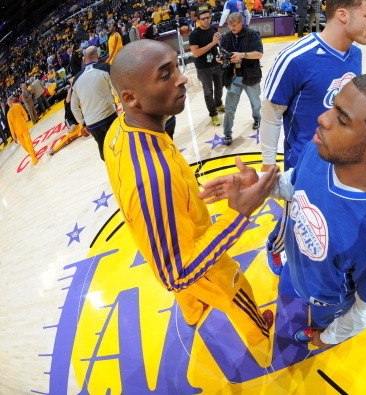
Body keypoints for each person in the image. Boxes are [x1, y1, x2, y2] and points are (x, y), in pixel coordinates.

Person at [199, 74, 366, 347]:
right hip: (295, 265)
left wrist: (327, 337)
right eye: (332, 107)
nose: (323, 119)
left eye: (342, 119)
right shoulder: (321, 150)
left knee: (319, 324)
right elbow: (294, 184)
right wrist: (265, 185)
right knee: (289, 288)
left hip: (328, 298)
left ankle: (317, 328)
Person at [105, 39, 278, 368]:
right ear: (130, 98)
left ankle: (193, 310)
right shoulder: (154, 179)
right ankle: (262, 344)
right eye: (165, 74)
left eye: (177, 67)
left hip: (160, 235)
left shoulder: (122, 127)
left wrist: (187, 189)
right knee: (237, 291)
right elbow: (177, 272)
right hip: (194, 255)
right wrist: (240, 214)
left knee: (188, 295)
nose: (182, 78)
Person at [260, 0, 366, 275]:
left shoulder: (355, 56)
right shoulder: (295, 57)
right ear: (343, 15)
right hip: (301, 161)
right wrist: (268, 164)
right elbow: (270, 114)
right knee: (294, 217)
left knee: (324, 216)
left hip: (338, 158)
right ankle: (276, 246)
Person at [217, 12, 263, 145]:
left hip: (251, 76)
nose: (232, 28)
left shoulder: (252, 35)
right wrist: (220, 60)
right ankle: (227, 134)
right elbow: (222, 55)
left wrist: (241, 55)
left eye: (234, 25)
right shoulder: (226, 38)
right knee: (229, 109)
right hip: (233, 77)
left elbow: (259, 54)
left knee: (255, 103)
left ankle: (257, 118)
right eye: (230, 25)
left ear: (241, 22)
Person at [70, 46, 118, 160]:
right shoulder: (105, 67)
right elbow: (117, 89)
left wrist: (83, 123)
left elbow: (74, 107)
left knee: (105, 153)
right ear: (97, 56)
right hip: (109, 116)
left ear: (84, 60)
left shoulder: (76, 79)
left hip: (92, 123)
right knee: (119, 147)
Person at [189, 10, 225, 126]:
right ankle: (213, 114)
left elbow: (218, 43)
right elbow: (196, 53)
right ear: (198, 21)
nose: (206, 20)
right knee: (208, 92)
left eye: (208, 17)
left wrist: (219, 43)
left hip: (216, 63)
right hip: (203, 67)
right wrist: (213, 43)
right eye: (203, 18)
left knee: (219, 87)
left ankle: (218, 104)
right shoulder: (194, 34)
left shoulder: (213, 28)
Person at [49, 80, 91, 156]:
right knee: (73, 127)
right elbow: (68, 98)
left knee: (74, 128)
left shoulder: (77, 133)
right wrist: (71, 87)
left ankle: (71, 129)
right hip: (69, 119)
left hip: (77, 120)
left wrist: (53, 150)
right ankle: (69, 128)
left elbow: (64, 141)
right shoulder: (68, 101)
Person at [6, 96, 38, 165]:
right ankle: (33, 153)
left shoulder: (11, 112)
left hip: (21, 129)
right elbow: (24, 113)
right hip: (21, 129)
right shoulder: (9, 113)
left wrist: (14, 137)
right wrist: (26, 119)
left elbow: (10, 126)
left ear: (9, 102)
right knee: (26, 145)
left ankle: (33, 157)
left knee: (27, 143)